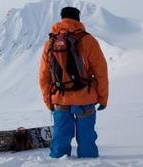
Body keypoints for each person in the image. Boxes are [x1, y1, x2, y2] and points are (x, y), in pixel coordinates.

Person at [39, 7, 109, 158]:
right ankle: (89, 162)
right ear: (78, 19)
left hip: (60, 99)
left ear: (61, 18)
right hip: (85, 98)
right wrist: (103, 98)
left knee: (60, 137)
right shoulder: (88, 40)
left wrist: (49, 101)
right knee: (86, 137)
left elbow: (44, 77)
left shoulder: (50, 43)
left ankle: (58, 161)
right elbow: (101, 72)